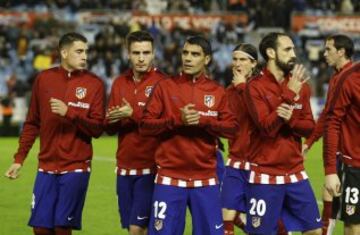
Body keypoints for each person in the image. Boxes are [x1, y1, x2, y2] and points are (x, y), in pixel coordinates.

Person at [4, 32, 105, 235]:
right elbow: (32, 123)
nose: (85, 56)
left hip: (76, 166)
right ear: (64, 52)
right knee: (41, 229)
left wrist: (71, 113)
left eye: (86, 51)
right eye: (79, 51)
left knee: (61, 228)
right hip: (46, 166)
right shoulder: (44, 79)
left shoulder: (94, 84)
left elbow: (97, 129)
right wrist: (19, 159)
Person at [140, 35, 237, 235]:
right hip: (169, 178)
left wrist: (204, 121)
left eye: (195, 54)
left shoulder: (217, 91)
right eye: (185, 53)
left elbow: (232, 128)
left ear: (207, 59)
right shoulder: (165, 87)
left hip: (205, 180)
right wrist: (176, 121)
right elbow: (144, 126)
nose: (188, 58)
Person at [244, 32, 322, 235]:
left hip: (295, 172)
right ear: (271, 53)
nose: (293, 54)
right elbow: (266, 128)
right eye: (287, 49)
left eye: (293, 49)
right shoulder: (254, 87)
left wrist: (291, 120)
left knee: (314, 230)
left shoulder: (301, 87)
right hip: (265, 175)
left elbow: (309, 127)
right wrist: (288, 96)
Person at [104, 30, 165, 235]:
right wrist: (112, 118)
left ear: (153, 53)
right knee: (136, 227)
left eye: (146, 53)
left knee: (136, 229)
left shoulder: (163, 83)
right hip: (123, 168)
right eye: (136, 53)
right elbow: (110, 129)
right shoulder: (119, 83)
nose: (141, 58)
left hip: (150, 167)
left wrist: (133, 114)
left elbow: (164, 125)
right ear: (128, 54)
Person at [302, 34, 355, 235]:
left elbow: (330, 119)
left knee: (348, 214)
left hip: (351, 154)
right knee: (330, 194)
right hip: (342, 152)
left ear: (341, 52)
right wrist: (309, 142)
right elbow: (327, 115)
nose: (324, 54)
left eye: (328, 50)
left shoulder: (349, 77)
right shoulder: (336, 77)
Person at [221, 43, 259, 235]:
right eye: (234, 59)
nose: (237, 64)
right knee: (225, 215)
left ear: (254, 63)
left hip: (259, 163)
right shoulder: (228, 92)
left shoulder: (262, 87)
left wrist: (243, 87)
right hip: (235, 161)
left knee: (261, 219)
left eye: (242, 59)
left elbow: (260, 119)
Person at [323, 41, 360, 234]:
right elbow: (331, 122)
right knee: (353, 224)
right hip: (355, 165)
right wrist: (330, 170)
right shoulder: (349, 78)